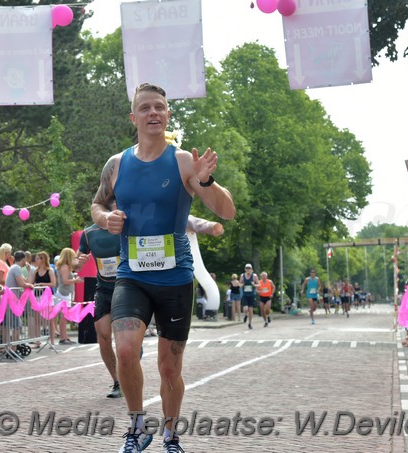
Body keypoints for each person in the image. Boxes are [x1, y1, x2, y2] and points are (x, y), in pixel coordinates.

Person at [91, 82, 235, 452]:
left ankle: (171, 435)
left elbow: (226, 211)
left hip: (174, 279)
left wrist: (206, 181)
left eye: (160, 107)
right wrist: (106, 218)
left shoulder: (184, 161)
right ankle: (137, 429)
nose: (153, 112)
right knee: (125, 350)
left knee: (170, 369)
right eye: (146, 108)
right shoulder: (117, 163)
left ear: (168, 114)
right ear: (133, 117)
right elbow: (96, 205)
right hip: (132, 276)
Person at [77, 223, 125, 398]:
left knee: (124, 339)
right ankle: (117, 381)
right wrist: (78, 262)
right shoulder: (89, 233)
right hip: (103, 289)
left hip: (127, 288)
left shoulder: (125, 225)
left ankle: (133, 356)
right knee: (103, 337)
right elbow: (76, 263)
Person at [4, 251, 33, 353]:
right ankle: (13, 348)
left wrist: (29, 271)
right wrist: (30, 286)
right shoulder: (16, 268)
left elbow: (27, 282)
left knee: (12, 324)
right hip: (11, 300)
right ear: (23, 258)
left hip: (12, 300)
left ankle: (9, 347)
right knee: (17, 325)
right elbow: (22, 284)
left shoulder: (16, 268)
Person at [52, 248, 82, 345]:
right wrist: (75, 280)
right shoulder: (64, 267)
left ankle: (64, 337)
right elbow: (65, 281)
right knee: (64, 317)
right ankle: (63, 338)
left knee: (65, 316)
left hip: (65, 293)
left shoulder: (65, 266)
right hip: (63, 293)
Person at [27, 251, 56, 349]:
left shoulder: (50, 270)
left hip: (47, 297)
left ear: (43, 259)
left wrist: (41, 284)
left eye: (38, 258)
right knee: (37, 319)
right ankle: (37, 340)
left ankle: (52, 341)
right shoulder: (35, 271)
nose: (36, 260)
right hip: (37, 297)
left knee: (50, 319)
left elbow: (53, 284)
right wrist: (29, 273)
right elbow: (31, 283)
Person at [241, 264, 259, 329]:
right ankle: (246, 315)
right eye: (246, 268)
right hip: (245, 295)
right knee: (245, 309)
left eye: (249, 268)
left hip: (251, 295)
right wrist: (241, 285)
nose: (248, 269)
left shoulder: (254, 276)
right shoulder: (242, 276)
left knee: (250, 309)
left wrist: (254, 285)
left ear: (251, 269)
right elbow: (240, 283)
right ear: (245, 269)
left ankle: (250, 323)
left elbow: (258, 285)